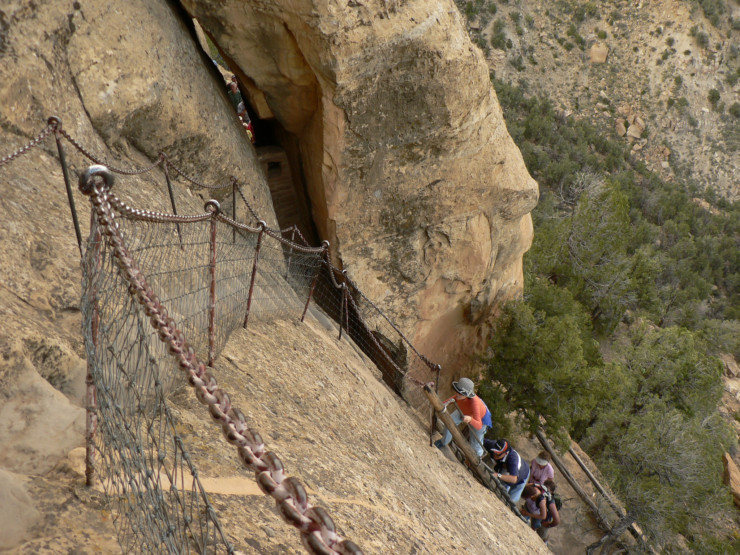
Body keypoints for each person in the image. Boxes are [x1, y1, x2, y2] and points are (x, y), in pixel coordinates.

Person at [434, 377, 492, 458]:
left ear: (467, 395)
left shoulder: (475, 403)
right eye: (457, 391)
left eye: (460, 393)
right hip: (465, 411)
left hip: (481, 420)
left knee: (475, 443)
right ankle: (443, 442)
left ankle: (477, 458)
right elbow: (452, 399)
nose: (457, 394)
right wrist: (444, 404)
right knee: (449, 422)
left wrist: (471, 419)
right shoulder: (459, 396)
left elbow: (479, 425)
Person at [520, 479, 560, 543]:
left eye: (526, 498)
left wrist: (549, 525)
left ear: (532, 496)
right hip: (529, 508)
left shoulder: (543, 501)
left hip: (539, 516)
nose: (525, 499)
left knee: (539, 534)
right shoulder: (531, 486)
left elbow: (544, 516)